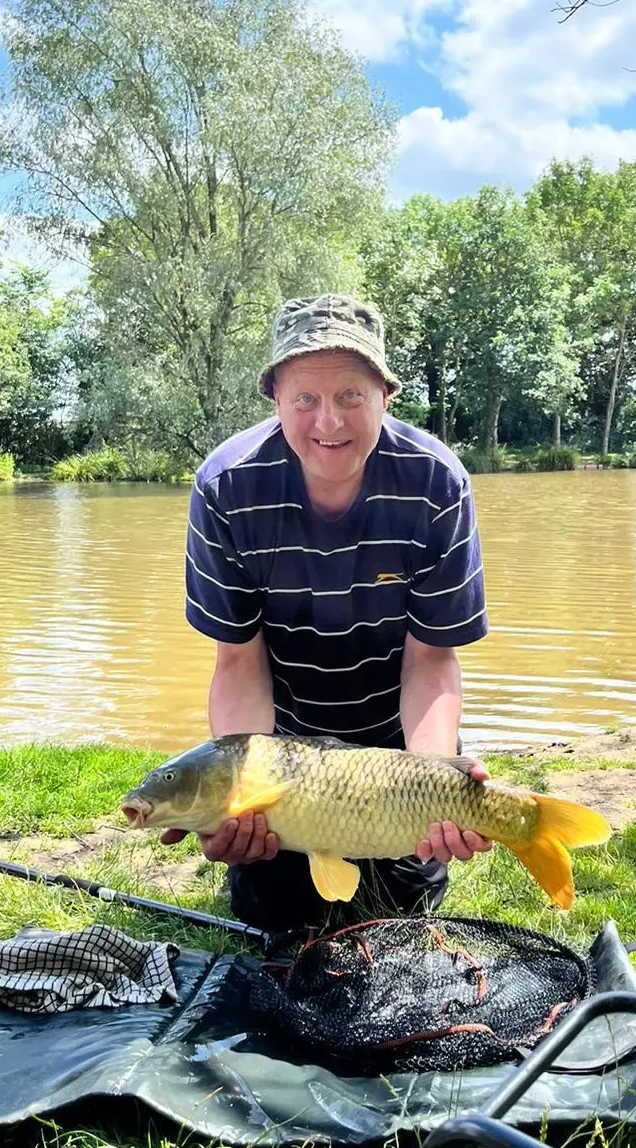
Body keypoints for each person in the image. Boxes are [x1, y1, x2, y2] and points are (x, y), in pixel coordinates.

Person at [162, 294, 492, 931]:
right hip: (282, 751)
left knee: (399, 910)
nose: (328, 422)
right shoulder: (226, 486)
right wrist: (241, 790)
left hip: (395, 748)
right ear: (276, 399)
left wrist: (435, 776)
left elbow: (431, 661)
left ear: (385, 395)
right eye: (305, 400)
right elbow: (237, 663)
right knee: (270, 909)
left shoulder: (436, 482)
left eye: (350, 396)